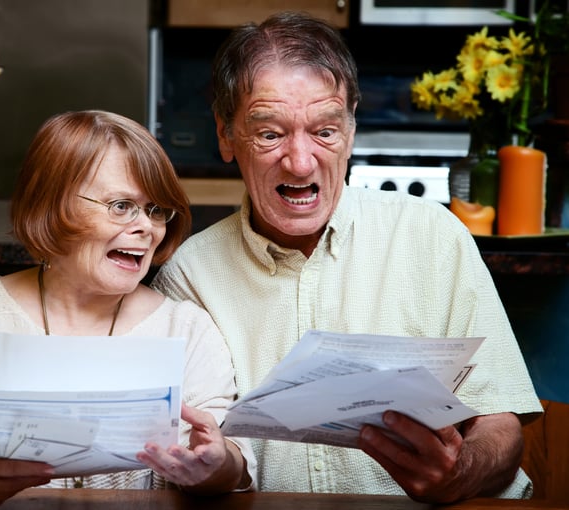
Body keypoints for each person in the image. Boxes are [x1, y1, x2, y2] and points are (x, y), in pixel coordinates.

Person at [152, 11, 543, 504]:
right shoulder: (190, 276)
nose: (299, 161)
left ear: (352, 128)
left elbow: (500, 420)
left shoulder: (430, 234)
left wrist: (459, 471)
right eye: (270, 133)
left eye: (325, 131)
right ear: (226, 135)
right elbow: (196, 455)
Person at [0, 110, 255, 510]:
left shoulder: (187, 329)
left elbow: (235, 468)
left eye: (155, 210)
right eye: (121, 206)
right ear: (52, 204)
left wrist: (217, 466)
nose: (146, 227)